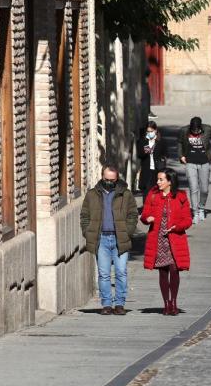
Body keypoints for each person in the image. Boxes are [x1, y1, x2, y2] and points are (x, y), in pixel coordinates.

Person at [80, 165, 139, 315]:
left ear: (117, 178)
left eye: (112, 180)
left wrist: (128, 232)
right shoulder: (92, 195)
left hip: (120, 238)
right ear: (102, 177)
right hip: (101, 239)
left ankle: (119, 303)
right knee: (104, 273)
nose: (109, 182)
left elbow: (133, 214)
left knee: (121, 272)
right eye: (107, 179)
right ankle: (106, 304)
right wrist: (88, 233)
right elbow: (84, 216)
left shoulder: (125, 194)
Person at [140, 168, 193, 315]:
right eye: (157, 179)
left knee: (174, 271)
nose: (158, 182)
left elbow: (188, 219)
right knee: (163, 272)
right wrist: (147, 219)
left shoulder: (181, 196)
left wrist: (178, 227)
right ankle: (166, 304)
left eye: (161, 179)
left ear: (170, 181)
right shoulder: (153, 194)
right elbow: (144, 214)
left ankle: (174, 302)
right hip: (158, 239)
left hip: (175, 239)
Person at [178, 116, 211, 224]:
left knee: (204, 189)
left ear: (201, 127)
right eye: (193, 131)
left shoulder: (208, 129)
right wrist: (181, 156)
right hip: (190, 162)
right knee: (193, 187)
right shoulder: (184, 131)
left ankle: (201, 208)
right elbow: (179, 143)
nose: (196, 132)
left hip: (204, 162)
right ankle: (195, 213)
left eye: (198, 130)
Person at [137, 121, 168, 195]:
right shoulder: (142, 141)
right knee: (147, 191)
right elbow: (139, 155)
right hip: (146, 170)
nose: (150, 133)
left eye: (151, 131)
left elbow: (166, 154)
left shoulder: (161, 141)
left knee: (157, 191)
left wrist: (162, 159)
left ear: (155, 130)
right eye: (148, 131)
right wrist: (147, 150)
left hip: (157, 170)